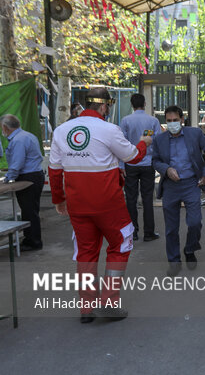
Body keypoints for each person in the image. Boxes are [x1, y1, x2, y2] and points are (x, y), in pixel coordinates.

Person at [48, 87, 152, 323]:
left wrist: (59, 200)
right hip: (108, 205)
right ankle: (108, 303)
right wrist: (144, 142)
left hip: (77, 204)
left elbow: (54, 171)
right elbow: (134, 156)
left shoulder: (61, 131)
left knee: (86, 253)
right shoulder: (109, 129)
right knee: (120, 244)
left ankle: (87, 308)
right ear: (104, 106)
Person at [152, 105, 205, 276]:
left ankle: (190, 249)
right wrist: (166, 169)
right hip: (171, 186)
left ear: (182, 119)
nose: (172, 123)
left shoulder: (194, 134)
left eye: (175, 120)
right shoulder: (160, 139)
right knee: (171, 228)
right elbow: (155, 160)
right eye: (169, 121)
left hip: (191, 184)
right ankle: (174, 261)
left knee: (195, 222)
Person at [120, 94, 161, 242]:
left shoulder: (125, 121)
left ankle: (133, 232)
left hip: (130, 164)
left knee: (130, 199)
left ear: (131, 104)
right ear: (145, 103)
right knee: (147, 198)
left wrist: (121, 165)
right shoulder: (153, 121)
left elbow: (121, 143)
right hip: (147, 164)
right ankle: (149, 232)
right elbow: (157, 142)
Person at [1, 115, 44, 251]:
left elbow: (18, 163)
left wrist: (7, 180)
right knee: (30, 210)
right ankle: (31, 239)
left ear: (5, 127)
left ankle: (33, 242)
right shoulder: (27, 136)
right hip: (34, 175)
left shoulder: (19, 140)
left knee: (29, 211)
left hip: (28, 178)